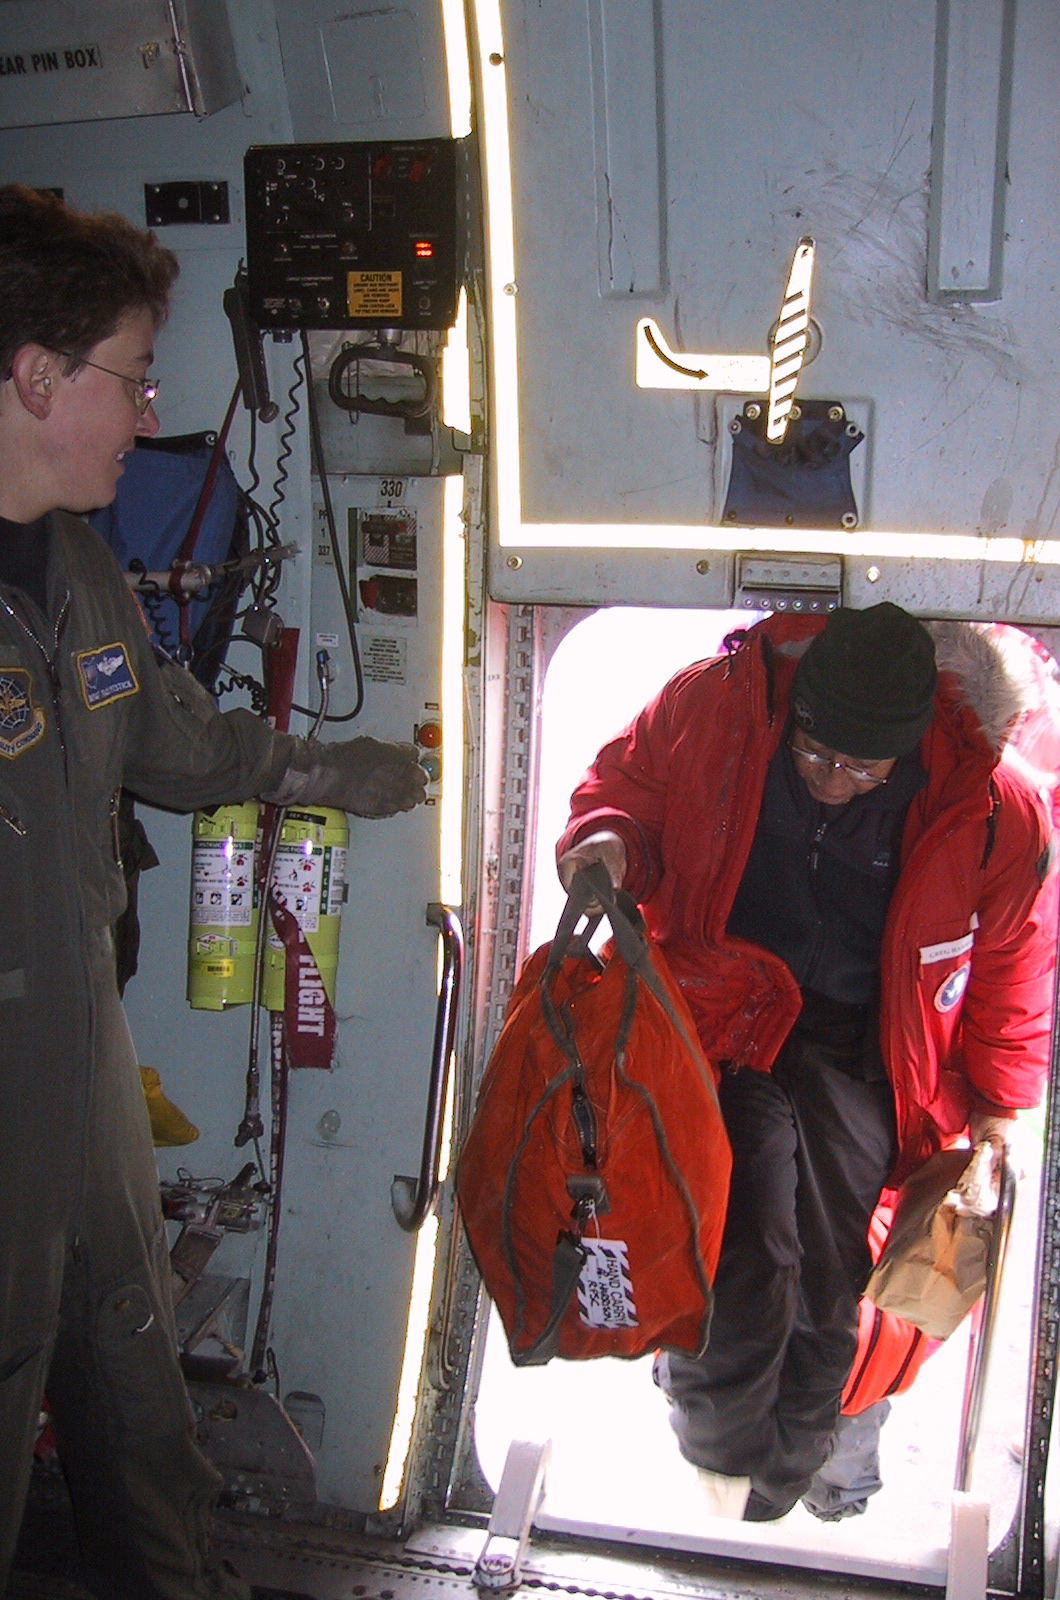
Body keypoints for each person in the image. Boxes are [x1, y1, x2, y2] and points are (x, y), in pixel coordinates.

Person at [0, 185, 426, 1598]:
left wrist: (325, 772)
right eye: (130, 379)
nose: (146, 413)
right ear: (36, 377)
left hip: (81, 1051)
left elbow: (174, 742)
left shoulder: (77, 565)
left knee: (128, 1358)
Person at [557, 603, 1060, 1521]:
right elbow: (627, 788)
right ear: (795, 717)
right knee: (741, 1244)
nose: (834, 783)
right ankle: (719, 1465)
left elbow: (1008, 971)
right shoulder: (716, 709)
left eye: (863, 769)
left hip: (862, 1047)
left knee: (831, 1277)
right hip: (725, 1011)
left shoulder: (992, 813)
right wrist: (609, 843)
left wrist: (998, 1111)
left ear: (912, 748)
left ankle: (792, 1473)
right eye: (816, 757)